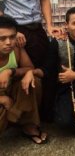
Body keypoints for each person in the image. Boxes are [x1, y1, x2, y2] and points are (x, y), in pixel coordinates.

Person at [0, 0, 62, 120]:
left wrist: (50, 25)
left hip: (37, 28)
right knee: (27, 72)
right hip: (17, 30)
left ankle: (45, 114)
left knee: (47, 68)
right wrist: (12, 31)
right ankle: (26, 119)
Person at [22, 7, 75, 144]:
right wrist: (31, 72)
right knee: (65, 123)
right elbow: (46, 69)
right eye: (74, 23)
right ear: (66, 25)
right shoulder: (58, 41)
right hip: (67, 86)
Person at [0, 15, 46, 144]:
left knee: (33, 81)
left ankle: (28, 125)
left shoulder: (16, 49)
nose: (8, 42)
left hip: (11, 87)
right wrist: (2, 99)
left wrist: (10, 71)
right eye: (2, 38)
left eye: (12, 37)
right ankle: (12, 118)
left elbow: (29, 67)